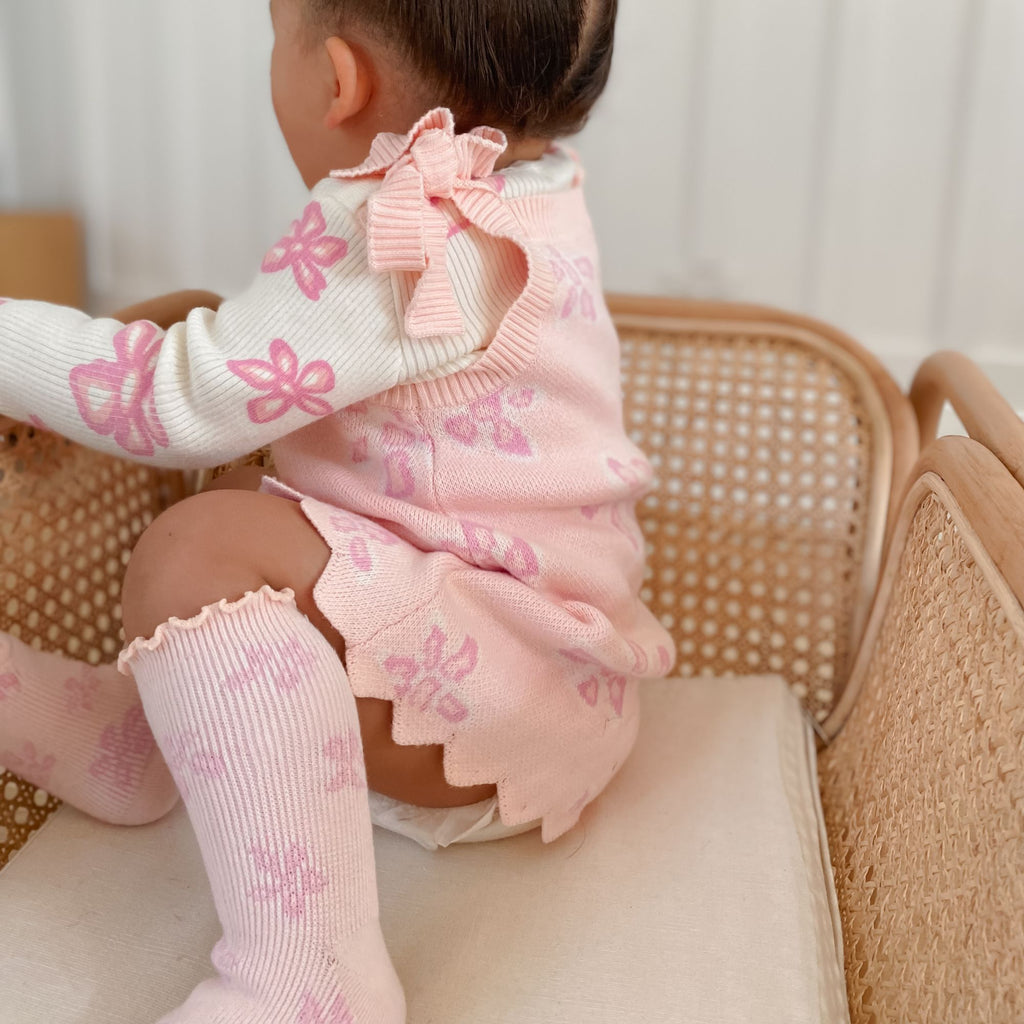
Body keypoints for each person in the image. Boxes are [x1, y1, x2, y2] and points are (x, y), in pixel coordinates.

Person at [0, 0, 674, 1019]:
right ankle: (142, 738)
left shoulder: (405, 227)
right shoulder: (526, 186)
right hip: (546, 667)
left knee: (198, 550)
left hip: (501, 697)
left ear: (339, 78)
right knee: (251, 495)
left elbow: (173, 399)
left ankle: (308, 976)